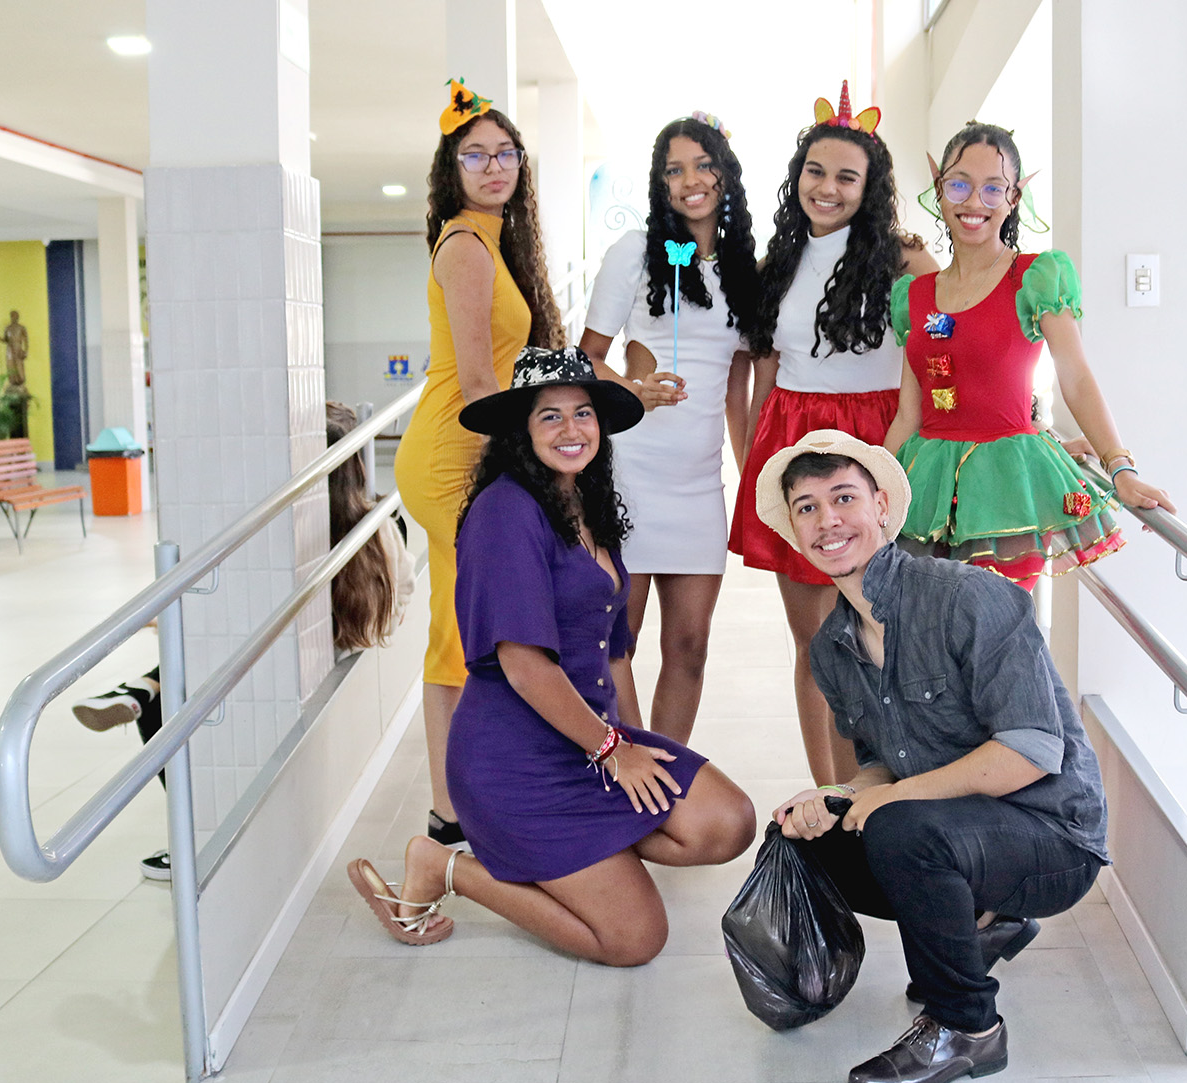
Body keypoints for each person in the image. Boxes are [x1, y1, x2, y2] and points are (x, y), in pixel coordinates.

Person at [347, 348, 756, 962]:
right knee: (635, 939)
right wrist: (614, 753)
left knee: (729, 822)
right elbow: (524, 666)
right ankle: (444, 867)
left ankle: (587, 855)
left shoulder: (585, 501)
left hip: (590, 743)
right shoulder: (505, 512)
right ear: (522, 430)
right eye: (551, 416)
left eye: (583, 413)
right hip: (517, 765)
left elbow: (615, 655)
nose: (572, 429)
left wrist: (634, 744)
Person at [754, 429, 1109, 1083]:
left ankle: (967, 1027)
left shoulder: (967, 596)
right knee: (810, 836)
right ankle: (983, 923)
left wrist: (891, 799)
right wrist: (837, 796)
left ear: (883, 507)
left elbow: (1032, 752)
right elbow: (881, 767)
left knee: (901, 828)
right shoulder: (832, 647)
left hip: (1051, 833)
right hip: (962, 828)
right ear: (795, 531)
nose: (828, 520)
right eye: (807, 507)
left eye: (844, 498)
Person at [76, 401, 415, 880]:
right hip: (338, 647)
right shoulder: (382, 521)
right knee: (190, 676)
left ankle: (193, 831)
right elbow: (402, 596)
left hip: (292, 662)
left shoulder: (286, 531)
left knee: (166, 709)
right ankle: (147, 688)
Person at [729, 81, 937, 787]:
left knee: (890, 632)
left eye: (847, 176)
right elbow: (762, 380)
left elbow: (951, 356)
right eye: (815, 171)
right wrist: (755, 472)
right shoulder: (776, 266)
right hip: (793, 444)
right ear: (798, 177)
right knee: (816, 641)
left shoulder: (907, 262)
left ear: (870, 187)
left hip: (881, 445)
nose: (828, 187)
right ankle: (834, 797)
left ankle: (897, 788)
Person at [885, 122, 1174, 588]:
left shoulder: (1035, 276)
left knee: (996, 622)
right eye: (959, 185)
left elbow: (1075, 377)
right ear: (939, 189)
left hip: (1008, 490)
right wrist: (874, 489)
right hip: (927, 487)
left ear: (1014, 197)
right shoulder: (912, 295)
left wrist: (1120, 468)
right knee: (924, 624)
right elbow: (907, 415)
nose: (974, 202)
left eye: (992, 188)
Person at [395, 79, 563, 853]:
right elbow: (478, 382)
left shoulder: (494, 239)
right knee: (464, 629)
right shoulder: (464, 245)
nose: (494, 167)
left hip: (473, 448)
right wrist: (529, 463)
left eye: (506, 153)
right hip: (453, 454)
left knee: (458, 626)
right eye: (476, 155)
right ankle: (456, 807)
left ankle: (457, 807)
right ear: (451, 168)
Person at [578, 112, 758, 741]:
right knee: (615, 645)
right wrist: (631, 390)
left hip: (699, 487)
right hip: (628, 477)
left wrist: (751, 475)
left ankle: (669, 776)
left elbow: (737, 389)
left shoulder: (745, 270)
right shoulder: (634, 252)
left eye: (703, 166)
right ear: (660, 183)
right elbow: (587, 357)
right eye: (674, 170)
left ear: (725, 173)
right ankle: (623, 769)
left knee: (690, 648)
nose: (691, 181)